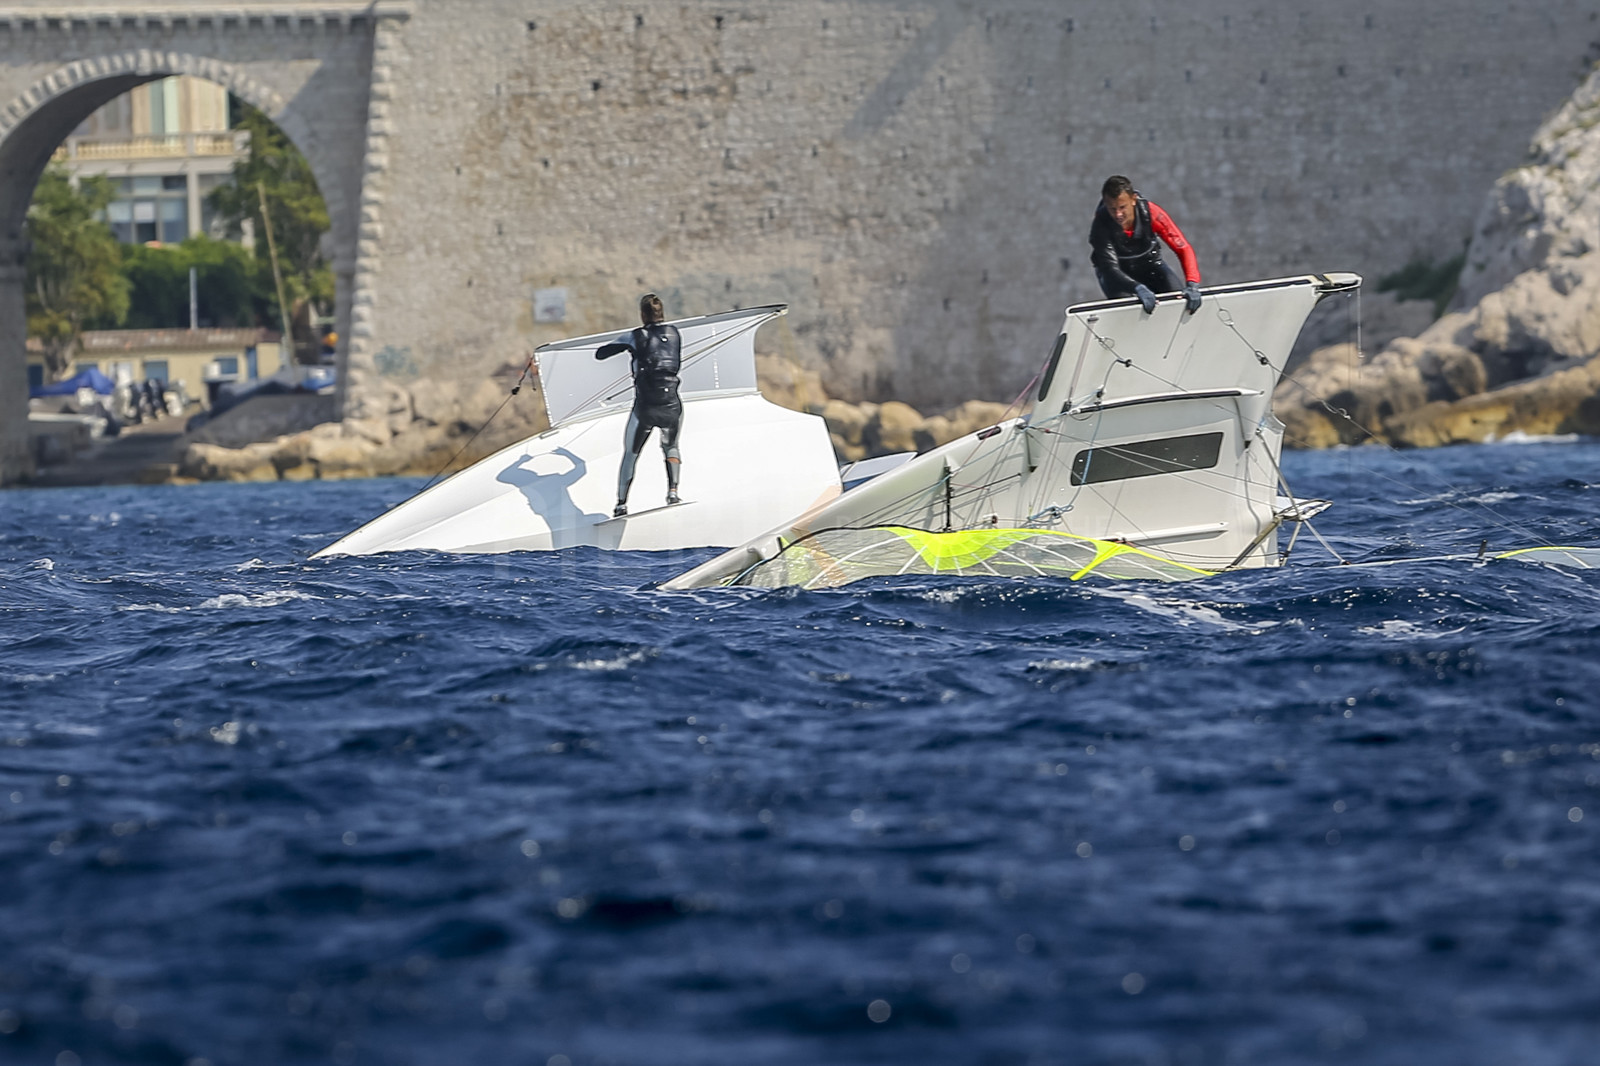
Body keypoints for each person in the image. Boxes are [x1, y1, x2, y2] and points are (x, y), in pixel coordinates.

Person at [595, 293, 683, 517]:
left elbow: (600, 354)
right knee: (670, 447)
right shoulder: (675, 333)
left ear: (642, 315)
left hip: (645, 407)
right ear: (662, 313)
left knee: (631, 454)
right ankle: (673, 492)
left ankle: (621, 504)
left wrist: (626, 346)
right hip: (672, 405)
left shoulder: (635, 336)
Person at [1089, 175, 1203, 314]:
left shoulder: (1151, 213)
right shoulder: (1100, 223)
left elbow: (1182, 248)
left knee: (1178, 303)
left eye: (1122, 207)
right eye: (1112, 209)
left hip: (1150, 265)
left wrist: (1192, 283)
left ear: (1133, 200)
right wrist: (1137, 287)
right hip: (1117, 274)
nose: (1118, 214)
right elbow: (1110, 268)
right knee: (1128, 312)